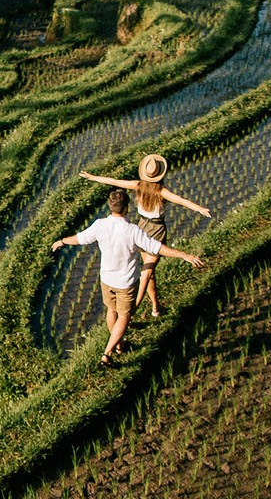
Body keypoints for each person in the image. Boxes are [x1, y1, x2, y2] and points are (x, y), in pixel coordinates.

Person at [50, 184, 203, 364]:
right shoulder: (132, 230)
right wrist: (184, 255)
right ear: (127, 207)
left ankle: (120, 346)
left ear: (111, 206)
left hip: (106, 279)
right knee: (124, 316)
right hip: (126, 282)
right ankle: (107, 353)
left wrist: (61, 241)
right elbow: (158, 248)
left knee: (111, 310)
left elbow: (79, 238)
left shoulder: (100, 225)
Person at [79, 153, 210, 319]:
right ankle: (132, 311)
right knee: (146, 272)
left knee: (150, 272)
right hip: (156, 228)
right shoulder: (161, 191)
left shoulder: (138, 186)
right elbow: (181, 200)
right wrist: (200, 209)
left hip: (142, 226)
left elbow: (114, 181)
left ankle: (155, 307)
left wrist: (93, 177)